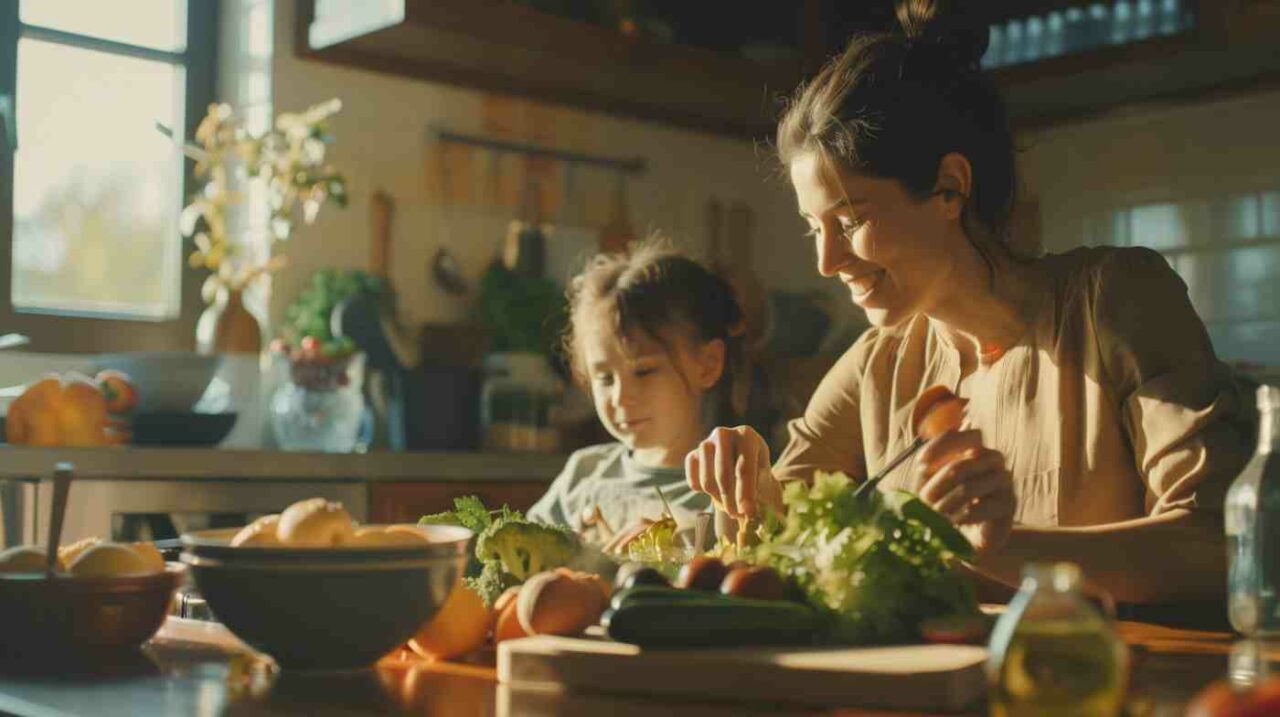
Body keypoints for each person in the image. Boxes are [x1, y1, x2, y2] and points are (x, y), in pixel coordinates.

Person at [685, 0, 1254, 604]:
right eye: (812, 228)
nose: (826, 261)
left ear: (949, 188)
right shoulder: (878, 363)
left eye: (849, 221)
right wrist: (748, 484)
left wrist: (998, 550)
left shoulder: (1114, 300)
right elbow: (778, 549)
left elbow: (1218, 545)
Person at [527, 239, 750, 550]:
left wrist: (672, 554)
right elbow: (516, 565)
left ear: (708, 365)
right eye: (604, 377)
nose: (620, 398)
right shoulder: (583, 474)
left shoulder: (733, 486)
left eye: (643, 372)